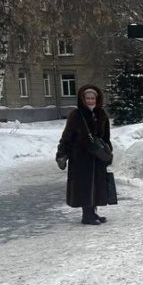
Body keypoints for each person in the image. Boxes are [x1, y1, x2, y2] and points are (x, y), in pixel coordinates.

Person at [57, 85, 114, 225]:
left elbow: (106, 136)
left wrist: (108, 152)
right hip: (80, 156)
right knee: (85, 185)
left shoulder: (102, 114)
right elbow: (67, 136)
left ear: (97, 98)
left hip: (97, 156)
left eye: (92, 98)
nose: (90, 101)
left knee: (96, 184)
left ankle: (93, 212)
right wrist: (62, 153)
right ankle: (87, 215)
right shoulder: (75, 115)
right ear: (83, 99)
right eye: (87, 98)